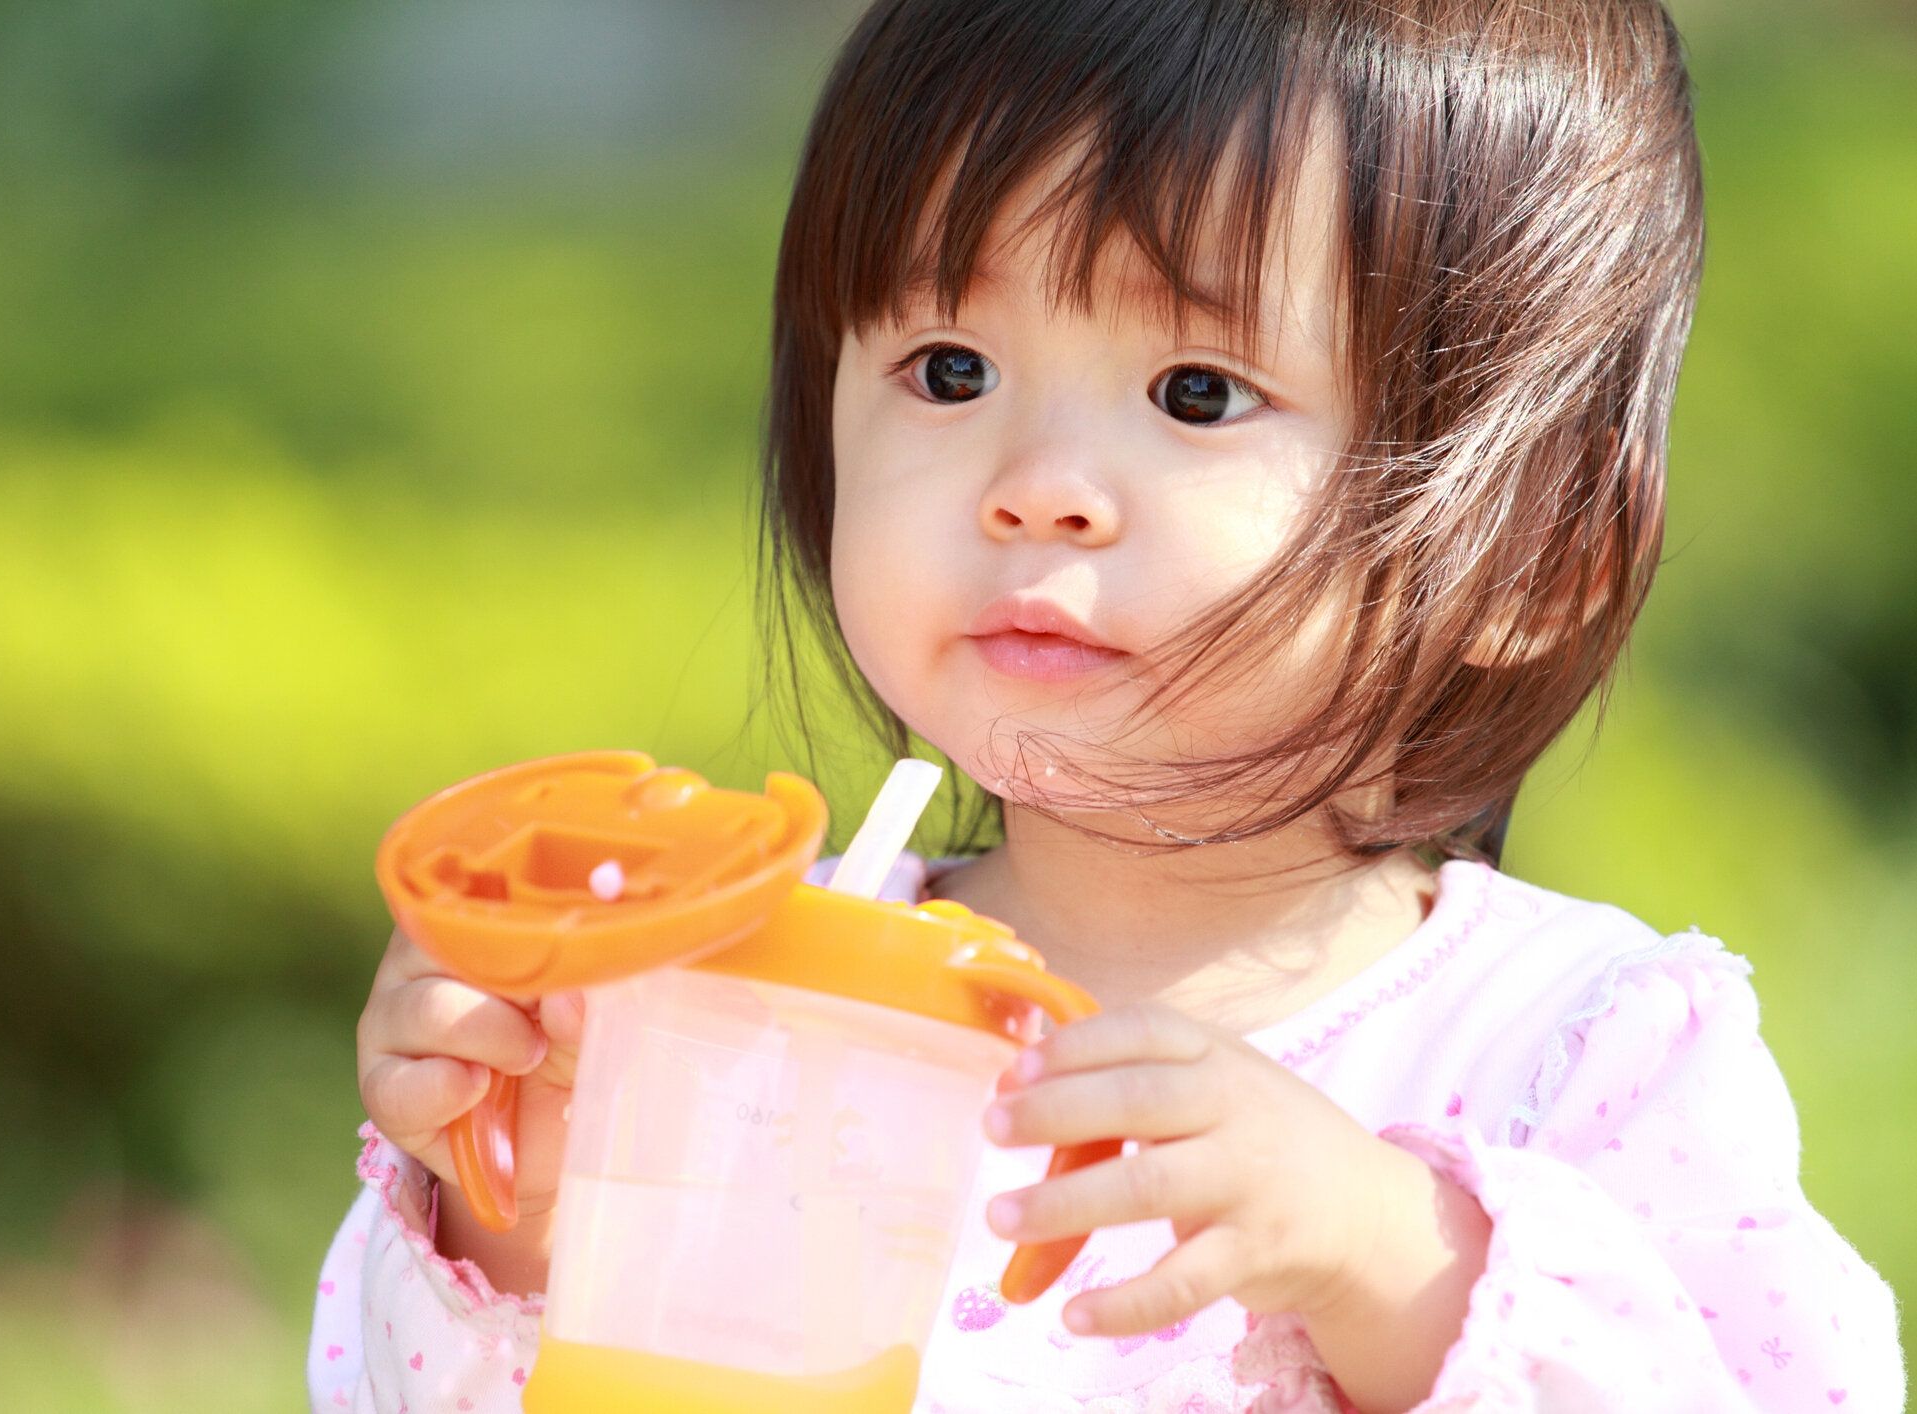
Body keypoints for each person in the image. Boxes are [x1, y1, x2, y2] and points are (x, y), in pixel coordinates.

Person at [308, 1, 1906, 1409]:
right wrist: (513, 1199)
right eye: (946, 367)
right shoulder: (743, 992)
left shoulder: (1573, 1050)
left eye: (1194, 392)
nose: (1034, 491)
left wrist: (1387, 1266)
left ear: (1536, 554)